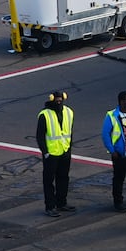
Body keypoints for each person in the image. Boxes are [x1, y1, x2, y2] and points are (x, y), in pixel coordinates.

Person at [36, 89, 75, 217]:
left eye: (60, 99)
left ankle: (61, 203)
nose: (59, 102)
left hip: (64, 152)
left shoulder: (69, 112)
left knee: (63, 178)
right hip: (51, 155)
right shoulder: (44, 115)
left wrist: (69, 148)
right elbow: (40, 136)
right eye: (56, 100)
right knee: (48, 181)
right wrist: (45, 152)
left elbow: (70, 131)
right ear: (51, 99)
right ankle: (50, 206)